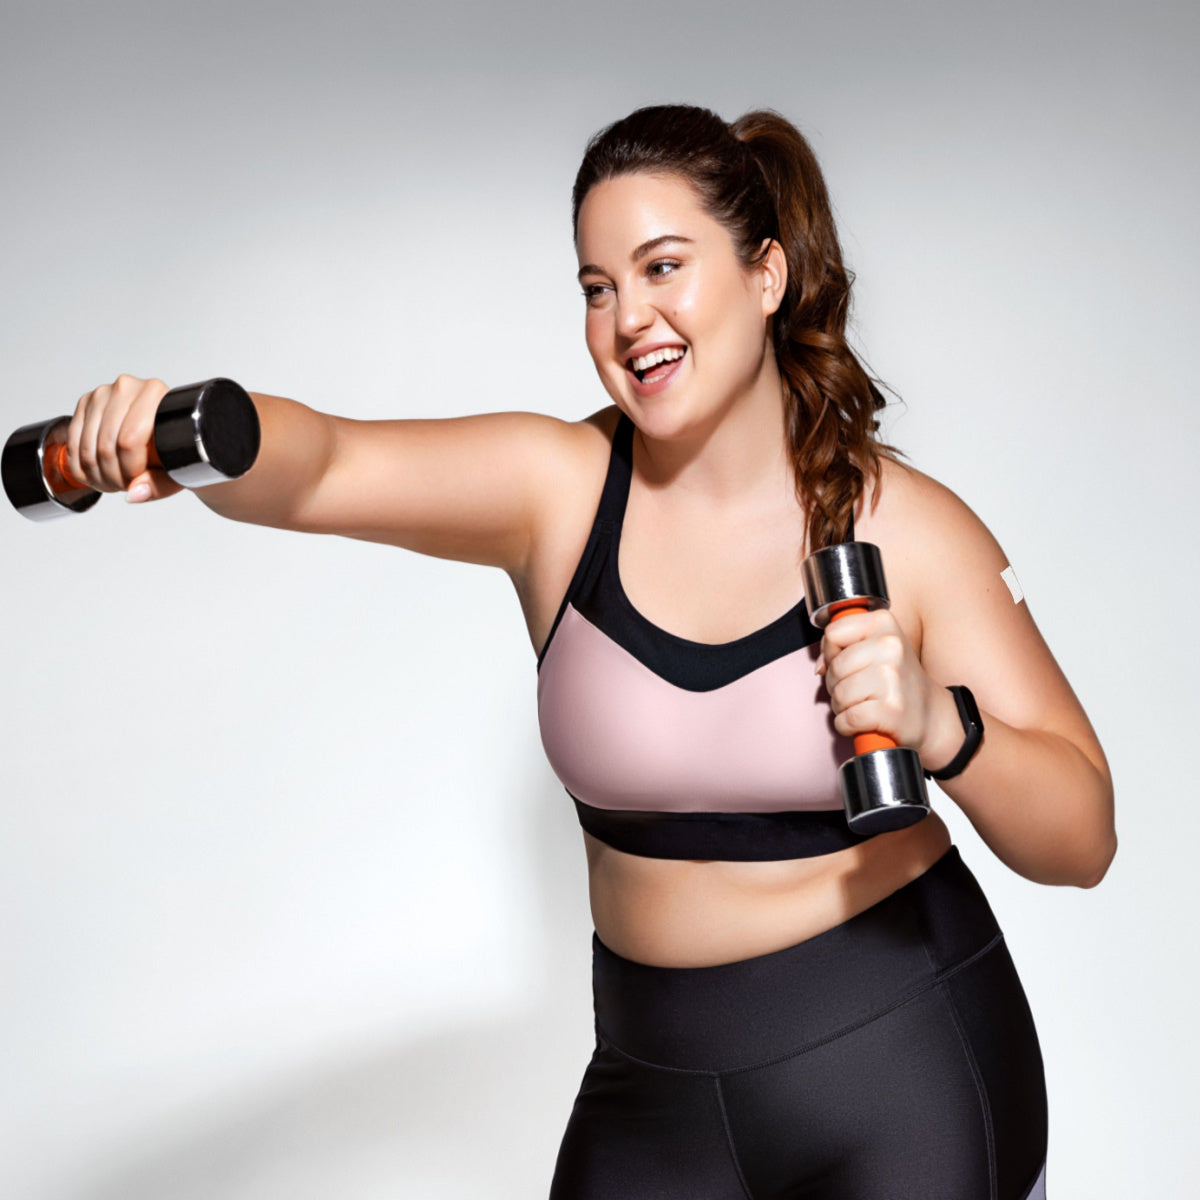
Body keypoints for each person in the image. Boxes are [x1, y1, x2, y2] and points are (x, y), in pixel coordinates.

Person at [64, 103, 1115, 1199]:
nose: (629, 319)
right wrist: (178, 431)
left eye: (665, 268)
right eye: (597, 287)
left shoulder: (908, 528)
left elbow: (1084, 835)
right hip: (652, 1087)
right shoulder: (555, 493)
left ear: (766, 276)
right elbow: (327, 465)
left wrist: (945, 726)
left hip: (900, 1071)